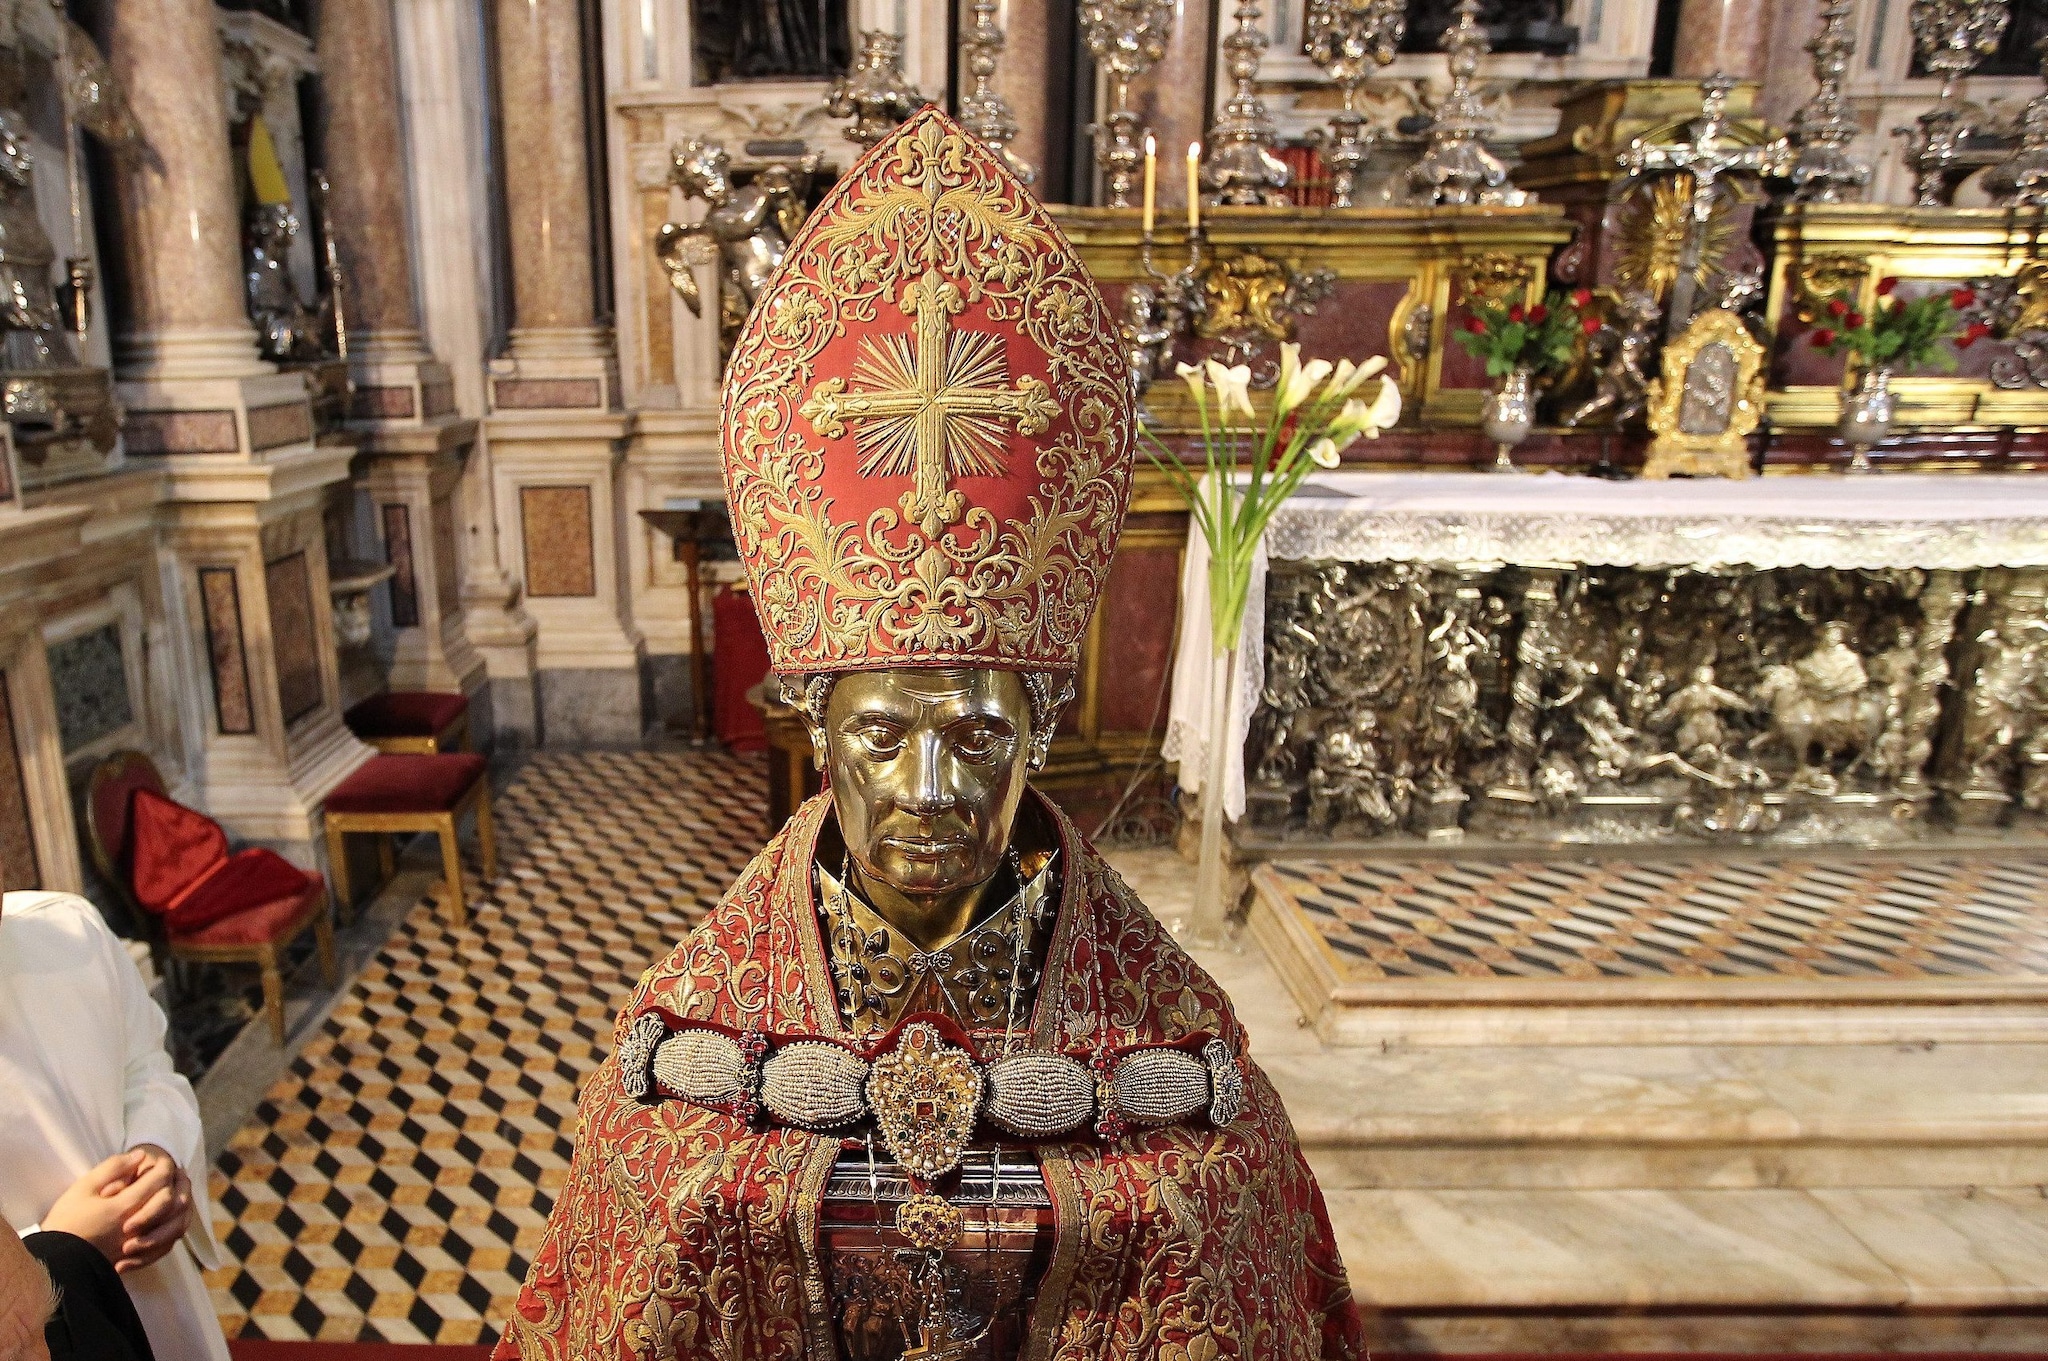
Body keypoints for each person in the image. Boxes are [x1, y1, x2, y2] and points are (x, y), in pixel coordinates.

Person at [494, 107, 1361, 1361]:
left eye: (973, 733)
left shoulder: (1161, 1030)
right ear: (811, 723)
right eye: (882, 732)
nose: (929, 787)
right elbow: (640, 1248)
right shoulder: (697, 1022)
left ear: (1041, 728)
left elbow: (1225, 1237)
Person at [0, 891, 227, 1361]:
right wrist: (54, 1250)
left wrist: (159, 1150)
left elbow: (145, 1066)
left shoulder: (69, 927)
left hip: (158, 1284)